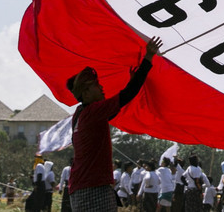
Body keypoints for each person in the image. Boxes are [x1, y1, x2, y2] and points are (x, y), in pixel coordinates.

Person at [66, 36, 162, 212]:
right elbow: (126, 95)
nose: (102, 87)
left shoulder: (79, 115)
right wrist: (148, 58)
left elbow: (117, 107)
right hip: (93, 187)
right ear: (86, 93)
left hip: (80, 187)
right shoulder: (93, 112)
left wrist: (133, 81)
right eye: (97, 85)